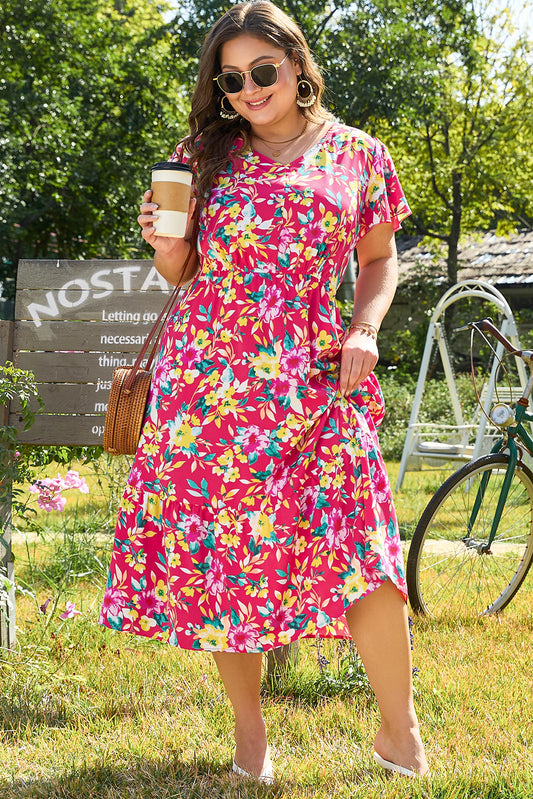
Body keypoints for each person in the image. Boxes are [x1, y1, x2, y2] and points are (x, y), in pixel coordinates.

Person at [100, 0, 429, 782]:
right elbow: (182, 275)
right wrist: (161, 245)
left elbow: (379, 260)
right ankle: (250, 737)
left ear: (297, 64)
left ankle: (399, 730)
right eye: (231, 78)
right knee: (225, 552)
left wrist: (364, 328)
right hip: (210, 389)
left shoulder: (358, 155)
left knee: (367, 550)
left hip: (318, 381)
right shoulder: (202, 155)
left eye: (262, 71)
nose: (248, 89)